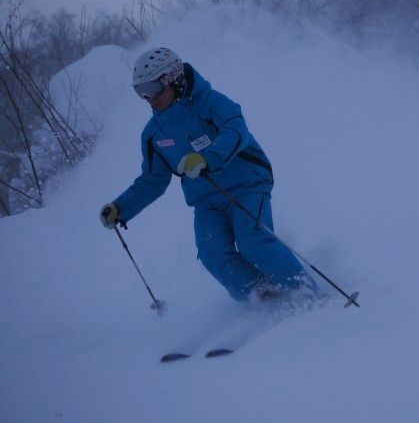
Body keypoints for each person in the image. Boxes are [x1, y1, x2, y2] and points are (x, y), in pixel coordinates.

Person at [100, 47, 316, 302]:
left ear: (173, 78)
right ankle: (264, 299)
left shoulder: (211, 102)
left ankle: (304, 292)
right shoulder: (154, 134)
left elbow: (236, 131)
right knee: (212, 254)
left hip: (247, 185)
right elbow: (153, 180)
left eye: (153, 87)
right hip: (207, 202)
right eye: (140, 91)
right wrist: (121, 207)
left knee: (252, 240)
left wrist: (207, 158)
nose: (149, 97)